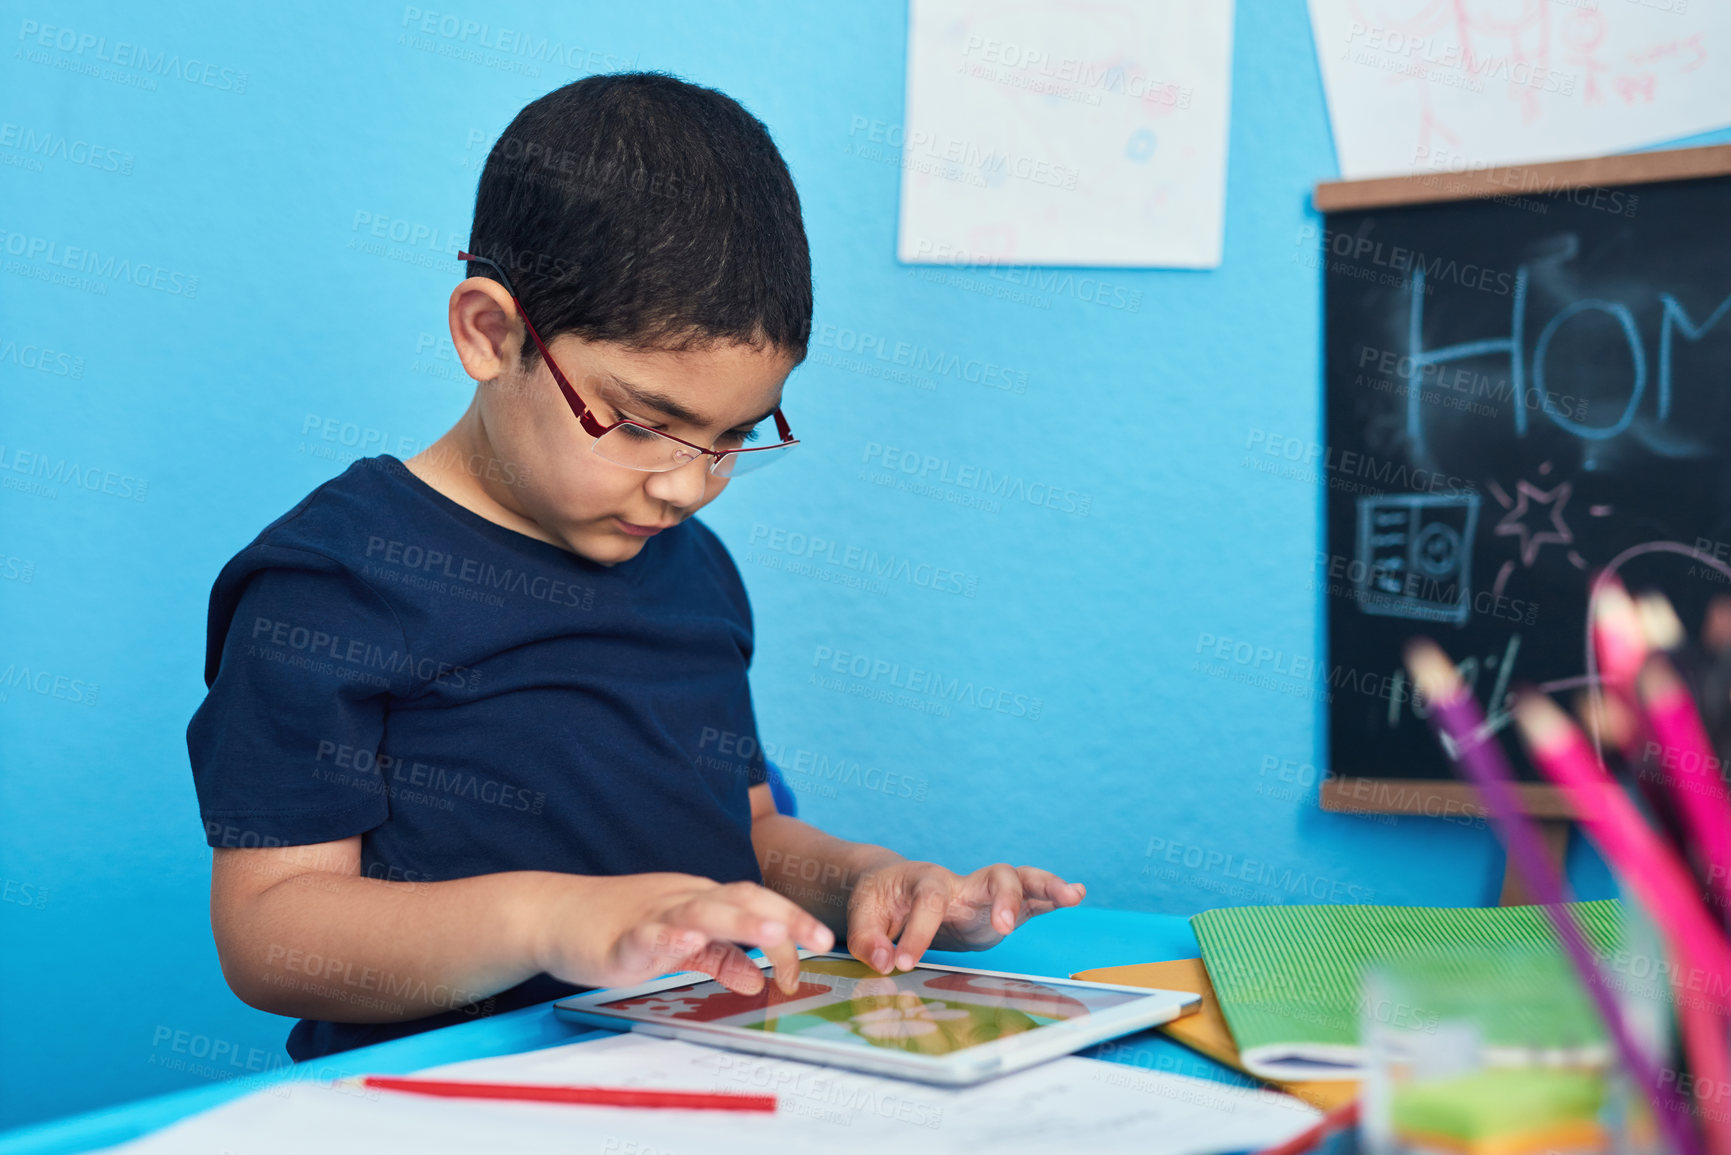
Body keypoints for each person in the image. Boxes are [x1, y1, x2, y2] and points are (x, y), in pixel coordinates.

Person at [187, 72, 1084, 1061]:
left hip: (706, 1078)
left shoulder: (693, 571)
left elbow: (738, 838)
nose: (688, 485)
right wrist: (558, 922)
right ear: (491, 334)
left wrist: (871, 881)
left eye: (734, 435)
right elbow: (269, 934)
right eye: (645, 425)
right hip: (444, 1104)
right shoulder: (331, 585)